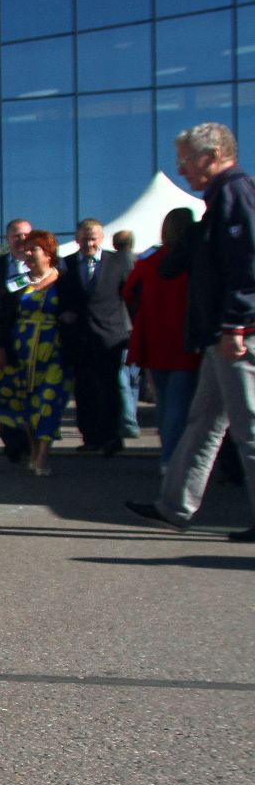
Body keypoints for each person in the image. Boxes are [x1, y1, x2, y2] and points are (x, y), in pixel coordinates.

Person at [126, 122, 255, 541]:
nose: (181, 170)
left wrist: (236, 324)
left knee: (247, 426)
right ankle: (174, 506)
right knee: (204, 421)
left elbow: (248, 267)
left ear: (212, 154)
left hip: (236, 333)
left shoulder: (235, 193)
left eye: (185, 160)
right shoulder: (220, 199)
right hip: (222, 334)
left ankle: (177, 505)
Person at [0, 230, 67, 475]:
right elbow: (1, 318)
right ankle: (32, 447)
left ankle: (42, 457)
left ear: (48, 254)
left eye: (33, 250)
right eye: (25, 250)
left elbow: (77, 312)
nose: (27, 254)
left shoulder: (64, 282)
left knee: (48, 403)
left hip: (54, 354)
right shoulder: (17, 283)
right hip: (22, 353)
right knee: (27, 405)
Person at [123, 210, 203, 469]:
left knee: (166, 403)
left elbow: (127, 293)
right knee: (180, 405)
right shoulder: (194, 262)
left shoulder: (149, 262)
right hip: (185, 343)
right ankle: (174, 458)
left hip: (156, 342)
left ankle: (169, 456)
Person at [55, 218, 133, 455]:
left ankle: (112, 438)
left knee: (110, 388)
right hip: (78, 339)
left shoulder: (118, 262)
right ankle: (90, 437)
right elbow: (57, 298)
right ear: (77, 239)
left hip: (110, 336)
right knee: (84, 390)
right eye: (84, 238)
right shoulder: (64, 266)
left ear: (101, 239)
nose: (89, 243)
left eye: (93, 238)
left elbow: (130, 296)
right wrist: (63, 314)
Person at [0, 218, 33, 461]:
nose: (21, 240)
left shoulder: (43, 264)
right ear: (7, 239)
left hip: (34, 339)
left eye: (25, 235)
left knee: (31, 391)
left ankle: (29, 439)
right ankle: (11, 440)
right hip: (3, 338)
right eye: (16, 236)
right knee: (6, 390)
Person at [111, 229, 141, 439]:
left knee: (122, 377)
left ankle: (129, 421)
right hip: (137, 328)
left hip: (122, 327)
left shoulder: (113, 265)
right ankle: (131, 418)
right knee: (133, 378)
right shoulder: (139, 262)